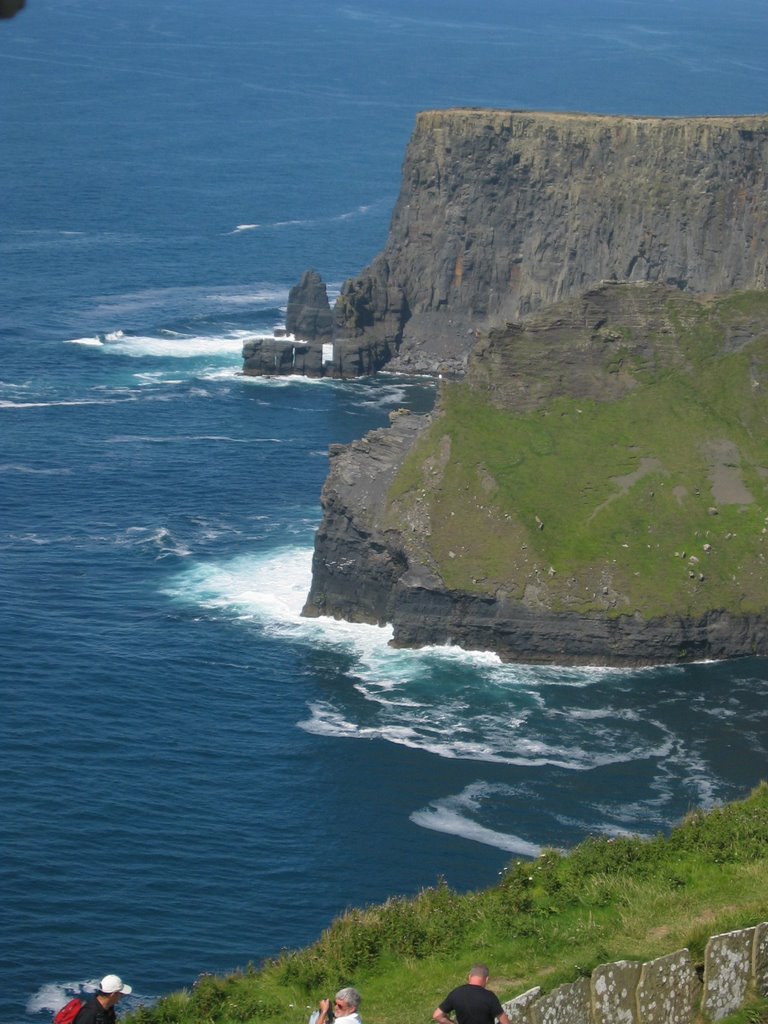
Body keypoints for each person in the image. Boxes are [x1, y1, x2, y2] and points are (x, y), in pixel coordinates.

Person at [433, 965, 511, 1024]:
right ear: (487, 979)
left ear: (469, 976)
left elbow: (437, 1015)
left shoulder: (456, 993)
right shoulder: (489, 996)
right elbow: (505, 1022)